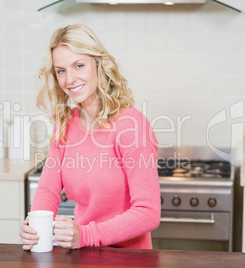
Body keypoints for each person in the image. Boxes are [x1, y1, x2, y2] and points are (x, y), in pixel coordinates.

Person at [20, 24, 160, 250]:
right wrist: (35, 225)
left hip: (128, 260)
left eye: (79, 65)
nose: (70, 79)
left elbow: (148, 213)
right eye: (61, 71)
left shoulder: (130, 126)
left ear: (98, 64)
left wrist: (86, 235)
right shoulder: (66, 123)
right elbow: (48, 189)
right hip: (83, 255)